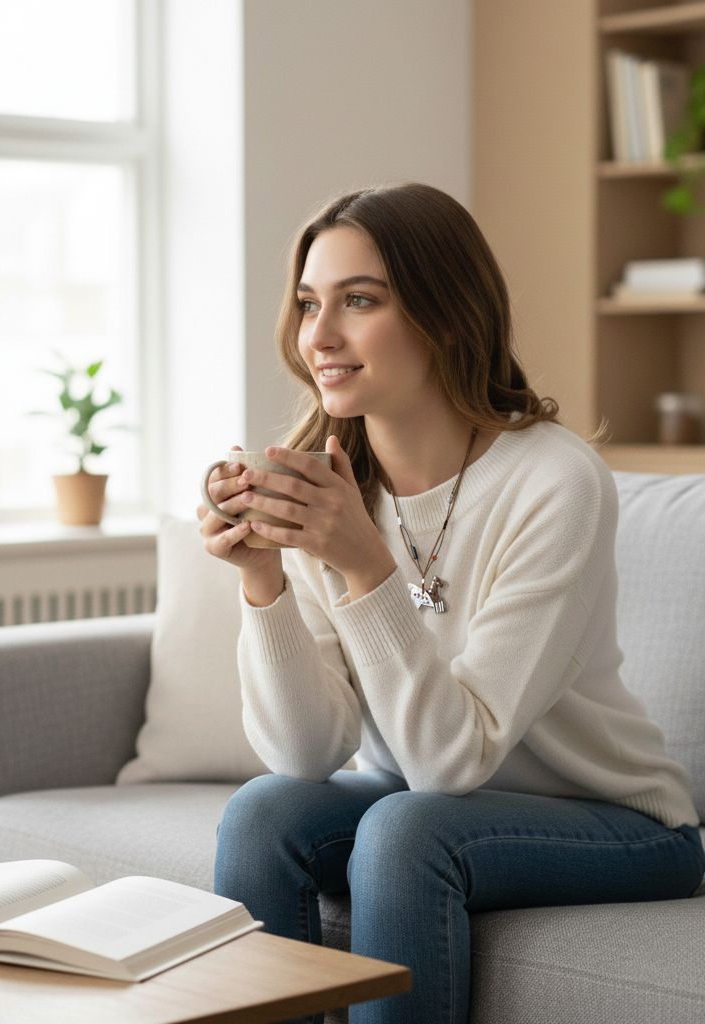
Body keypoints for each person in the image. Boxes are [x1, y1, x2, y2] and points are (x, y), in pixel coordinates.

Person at [198, 183, 704, 1024]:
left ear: (447, 314)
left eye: (359, 301)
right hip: (434, 803)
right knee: (262, 813)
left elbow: (446, 766)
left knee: (406, 831)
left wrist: (365, 566)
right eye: (307, 304)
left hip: (619, 823)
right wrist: (265, 584)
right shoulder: (335, 485)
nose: (318, 336)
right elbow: (303, 752)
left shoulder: (554, 479)